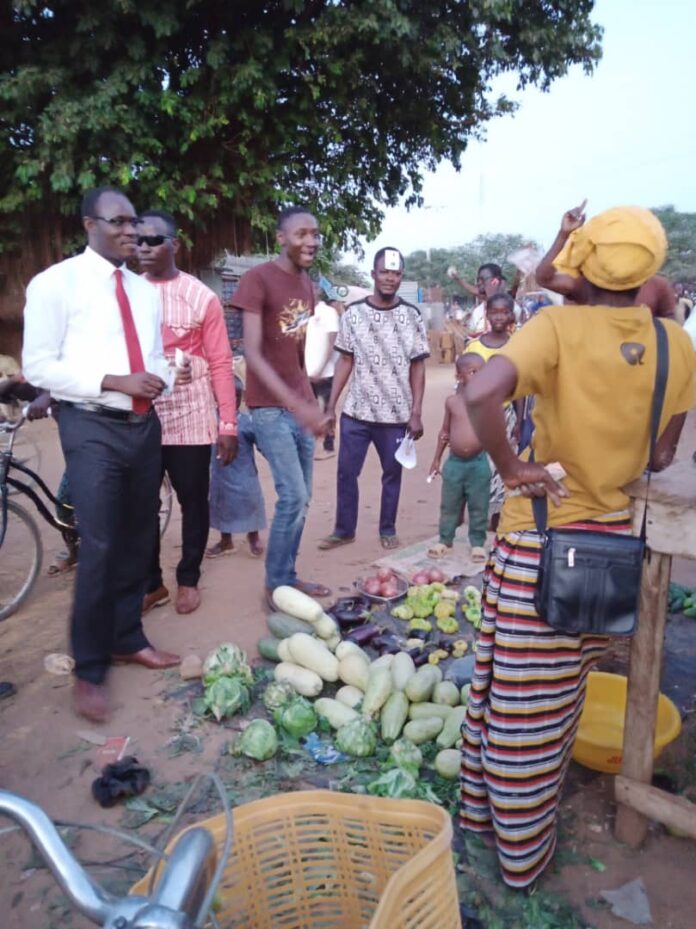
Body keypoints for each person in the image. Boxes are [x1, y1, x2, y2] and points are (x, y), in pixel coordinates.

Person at [459, 204, 695, 889]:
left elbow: (479, 393)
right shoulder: (676, 344)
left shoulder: (554, 325)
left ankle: (515, 865)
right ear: (651, 267)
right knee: (555, 705)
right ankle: (500, 832)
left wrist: (511, 467)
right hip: (613, 550)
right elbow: (662, 450)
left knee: (513, 714)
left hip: (539, 545)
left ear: (583, 261)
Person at [22, 186, 180, 723]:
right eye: (119, 222)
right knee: (102, 540)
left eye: (135, 222)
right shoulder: (54, 284)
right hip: (89, 426)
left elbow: (154, 354)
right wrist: (113, 379)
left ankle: (127, 639)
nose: (131, 231)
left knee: (140, 535)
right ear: (90, 224)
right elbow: (40, 367)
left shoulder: (145, 292)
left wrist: (164, 375)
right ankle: (89, 669)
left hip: (142, 424)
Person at [137, 209, 238, 616]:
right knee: (142, 503)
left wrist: (227, 423)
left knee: (193, 500)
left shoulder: (200, 296)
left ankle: (188, 578)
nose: (143, 247)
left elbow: (220, 361)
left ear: (174, 245)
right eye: (138, 240)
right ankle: (151, 583)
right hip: (141, 416)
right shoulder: (128, 293)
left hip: (191, 417)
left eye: (153, 240)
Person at [232, 205, 331, 604]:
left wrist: (314, 394)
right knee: (292, 495)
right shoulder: (257, 280)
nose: (310, 241)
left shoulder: (308, 283)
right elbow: (253, 354)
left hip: (300, 403)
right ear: (281, 238)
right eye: (301, 234)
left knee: (303, 498)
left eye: (315, 234)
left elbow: (299, 344)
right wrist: (297, 403)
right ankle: (276, 585)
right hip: (269, 408)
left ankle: (288, 576)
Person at [319, 247, 429, 551]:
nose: (390, 278)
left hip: (396, 417)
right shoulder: (354, 314)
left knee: (391, 475)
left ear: (401, 277)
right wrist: (331, 406)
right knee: (346, 473)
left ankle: (387, 528)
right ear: (373, 274)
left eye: (396, 273)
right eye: (385, 272)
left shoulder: (412, 316)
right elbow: (345, 362)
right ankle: (344, 530)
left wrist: (416, 411)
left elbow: (418, 366)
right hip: (356, 413)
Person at [464, 293, 522, 528]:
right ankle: (477, 515)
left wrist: (520, 422)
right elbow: (463, 384)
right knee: (479, 465)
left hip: (506, 414)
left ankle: (497, 518)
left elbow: (522, 386)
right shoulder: (474, 346)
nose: (499, 317)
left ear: (511, 316)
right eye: (494, 312)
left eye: (504, 312)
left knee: (502, 465)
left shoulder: (518, 345)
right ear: (487, 315)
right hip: (478, 415)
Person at [427, 353, 490, 562]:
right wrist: (436, 459)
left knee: (479, 505)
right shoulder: (452, 403)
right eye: (473, 372)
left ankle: (478, 544)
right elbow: (445, 432)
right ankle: (445, 540)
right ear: (459, 376)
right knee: (449, 504)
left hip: (478, 463)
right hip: (454, 464)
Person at [207, 375, 266, 558]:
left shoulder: (247, 422)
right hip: (220, 475)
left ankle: (253, 537)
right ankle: (226, 541)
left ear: (241, 397)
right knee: (222, 507)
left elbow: (262, 443)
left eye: (236, 396)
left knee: (251, 504)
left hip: (245, 475)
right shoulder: (210, 420)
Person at [304, 283, 340, 458]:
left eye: (311, 288)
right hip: (305, 373)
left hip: (326, 373)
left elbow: (332, 343)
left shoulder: (328, 313)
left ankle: (328, 446)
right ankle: (311, 446)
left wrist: (321, 368)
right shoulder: (302, 313)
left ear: (317, 290)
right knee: (308, 411)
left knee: (328, 410)